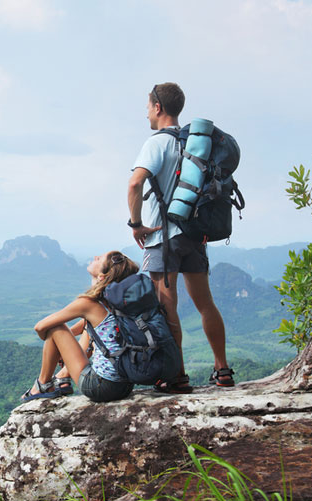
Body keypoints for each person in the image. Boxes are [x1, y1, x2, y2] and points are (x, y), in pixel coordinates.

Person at [126, 82, 234, 392]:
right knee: (206, 303)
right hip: (194, 233)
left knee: (166, 305)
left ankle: (177, 374)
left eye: (148, 107)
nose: (146, 113)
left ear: (158, 107)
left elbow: (135, 184)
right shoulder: (194, 144)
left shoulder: (156, 143)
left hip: (163, 237)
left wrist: (135, 224)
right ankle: (222, 369)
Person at [21, 250, 141, 403]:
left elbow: (40, 327)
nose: (95, 256)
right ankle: (62, 376)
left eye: (100, 259)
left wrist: (56, 341)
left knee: (55, 328)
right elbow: (86, 325)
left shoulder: (89, 304)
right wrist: (64, 345)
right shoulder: (116, 301)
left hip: (101, 387)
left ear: (101, 277)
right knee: (86, 326)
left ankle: (42, 385)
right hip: (125, 385)